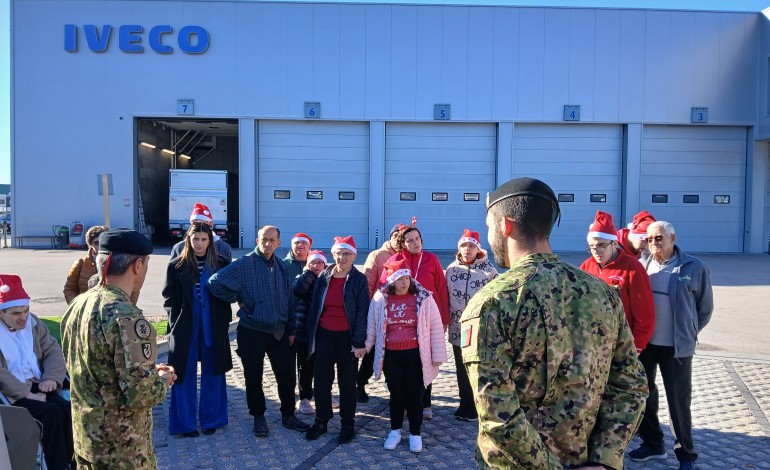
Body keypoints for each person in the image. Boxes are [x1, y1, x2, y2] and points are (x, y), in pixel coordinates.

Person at [460, 177, 648, 469]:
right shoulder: (602, 293)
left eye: (488, 226)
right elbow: (631, 385)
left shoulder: (493, 302)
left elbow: (497, 414)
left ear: (505, 225)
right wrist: (605, 459)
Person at [61, 228, 177, 469]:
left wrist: (147, 370)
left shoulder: (79, 304)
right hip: (122, 449)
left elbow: (96, 366)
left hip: (86, 440)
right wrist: (163, 379)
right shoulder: (126, 316)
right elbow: (142, 393)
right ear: (138, 265)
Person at [207, 225, 309, 437]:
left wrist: (291, 329)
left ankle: (288, 414)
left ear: (278, 243)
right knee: (253, 375)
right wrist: (238, 299)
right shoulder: (244, 264)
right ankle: (258, 416)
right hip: (252, 331)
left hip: (279, 331)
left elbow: (289, 299)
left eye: (272, 240)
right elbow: (214, 283)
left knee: (287, 376)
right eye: (263, 239)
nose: (267, 243)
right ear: (257, 241)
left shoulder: (280, 266)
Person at [629, 221, 713, 470]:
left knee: (678, 402)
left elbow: (705, 308)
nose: (653, 243)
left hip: (676, 348)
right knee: (644, 396)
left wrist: (687, 331)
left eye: (659, 238)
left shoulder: (693, 267)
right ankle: (653, 444)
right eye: (649, 239)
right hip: (645, 345)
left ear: (673, 238)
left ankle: (686, 455)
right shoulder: (641, 264)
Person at [365, 259, 447, 453]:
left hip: (415, 355)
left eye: (407, 278)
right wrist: (365, 347)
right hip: (391, 355)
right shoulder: (380, 299)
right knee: (396, 394)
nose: (404, 283)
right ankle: (395, 431)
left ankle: (415, 434)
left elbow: (435, 327)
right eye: (399, 279)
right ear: (392, 281)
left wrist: (437, 354)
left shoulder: (424, 298)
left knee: (415, 395)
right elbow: (372, 325)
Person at [163, 224, 233, 437]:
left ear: (210, 241)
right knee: (182, 374)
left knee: (214, 372)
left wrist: (224, 317)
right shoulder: (176, 265)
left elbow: (229, 292)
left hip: (213, 324)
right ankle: (184, 424)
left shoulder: (221, 263)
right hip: (185, 326)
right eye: (196, 239)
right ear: (189, 239)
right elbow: (169, 297)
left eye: (204, 239)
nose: (199, 243)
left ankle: (212, 420)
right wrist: (175, 320)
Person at [0, 274, 73, 470]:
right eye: (16, 313)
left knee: (66, 408)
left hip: (38, 383)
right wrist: (27, 394)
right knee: (51, 414)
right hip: (11, 394)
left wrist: (52, 378)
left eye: (26, 310)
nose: (23, 317)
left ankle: (72, 462)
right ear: (1, 313)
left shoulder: (33, 323)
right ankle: (59, 465)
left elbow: (52, 350)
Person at [304, 236, 369, 444]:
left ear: (354, 256)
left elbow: (362, 312)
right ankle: (321, 420)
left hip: (347, 337)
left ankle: (347, 424)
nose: (342, 257)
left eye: (347, 254)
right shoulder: (324, 276)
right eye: (339, 253)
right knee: (321, 380)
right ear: (333, 254)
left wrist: (359, 341)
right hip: (324, 334)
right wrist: (311, 336)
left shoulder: (359, 280)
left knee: (347, 382)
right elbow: (315, 307)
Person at [380, 225, 449, 419]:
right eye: (410, 240)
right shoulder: (393, 260)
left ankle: (425, 403)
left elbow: (441, 288)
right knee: (402, 364)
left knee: (425, 359)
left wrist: (444, 319)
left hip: (427, 318)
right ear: (403, 243)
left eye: (417, 238)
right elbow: (383, 288)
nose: (415, 242)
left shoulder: (431, 259)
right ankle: (401, 403)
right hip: (401, 319)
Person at [580, 211, 655, 351]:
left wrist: (637, 346)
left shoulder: (632, 268)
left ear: (614, 244)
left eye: (601, 245)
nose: (596, 250)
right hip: (593, 344)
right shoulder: (587, 266)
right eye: (592, 246)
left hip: (622, 345)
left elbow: (644, 313)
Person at [445, 229, 498, 421]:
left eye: (471, 246)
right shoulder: (451, 270)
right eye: (464, 246)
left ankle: (476, 406)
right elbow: (445, 297)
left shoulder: (489, 271)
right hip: (458, 329)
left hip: (479, 329)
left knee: (477, 368)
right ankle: (464, 403)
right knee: (461, 368)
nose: (467, 249)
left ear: (478, 249)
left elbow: (497, 299)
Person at [358, 223, 403, 403]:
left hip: (399, 314)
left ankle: (394, 386)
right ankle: (360, 383)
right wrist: (368, 311)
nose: (398, 240)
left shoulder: (408, 255)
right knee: (371, 352)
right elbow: (367, 284)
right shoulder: (377, 255)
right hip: (378, 312)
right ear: (390, 237)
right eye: (395, 236)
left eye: (401, 237)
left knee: (394, 353)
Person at [64, 225, 140, 305]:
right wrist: (78, 307)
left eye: (103, 242)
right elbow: (69, 289)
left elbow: (134, 288)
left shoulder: (120, 262)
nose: (100, 246)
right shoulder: (80, 264)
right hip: (87, 309)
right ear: (90, 245)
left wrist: (127, 308)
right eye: (96, 243)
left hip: (114, 310)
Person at [291, 249, 327, 415]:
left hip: (322, 331)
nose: (316, 265)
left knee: (322, 365)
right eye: (313, 262)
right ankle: (304, 398)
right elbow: (298, 290)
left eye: (320, 263)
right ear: (307, 264)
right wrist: (308, 274)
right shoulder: (303, 277)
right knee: (305, 366)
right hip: (303, 332)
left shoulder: (327, 280)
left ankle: (320, 394)